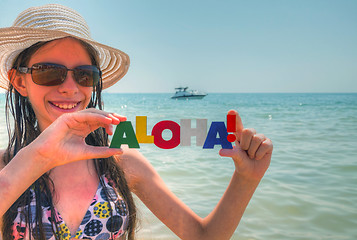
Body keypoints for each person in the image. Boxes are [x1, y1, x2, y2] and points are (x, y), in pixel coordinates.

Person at [0, 4, 273, 240]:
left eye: (85, 75)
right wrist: (39, 157)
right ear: (19, 81)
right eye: (49, 72)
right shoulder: (6, 170)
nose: (70, 87)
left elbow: (203, 236)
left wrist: (246, 178)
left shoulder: (121, 163)